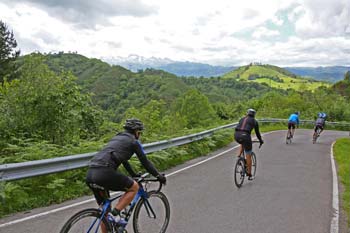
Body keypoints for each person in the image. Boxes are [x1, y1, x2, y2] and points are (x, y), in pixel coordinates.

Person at [86, 118, 166, 232]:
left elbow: (123, 160)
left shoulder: (117, 138)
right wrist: (159, 176)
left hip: (91, 173)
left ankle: (110, 218)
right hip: (104, 173)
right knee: (134, 187)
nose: (140, 134)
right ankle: (115, 215)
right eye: (140, 132)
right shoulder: (134, 142)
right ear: (136, 131)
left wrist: (133, 174)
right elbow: (145, 162)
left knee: (105, 212)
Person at [234, 109, 264, 180]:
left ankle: (239, 156)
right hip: (246, 136)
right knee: (248, 155)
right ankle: (250, 174)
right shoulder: (254, 121)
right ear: (254, 115)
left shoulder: (242, 119)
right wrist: (260, 141)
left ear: (247, 113)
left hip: (236, 135)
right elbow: (257, 133)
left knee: (242, 142)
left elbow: (241, 127)